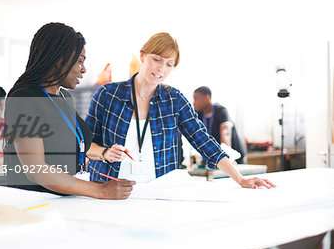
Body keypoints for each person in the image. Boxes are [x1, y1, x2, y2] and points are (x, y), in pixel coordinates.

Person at [85, 32, 275, 189]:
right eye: (156, 59)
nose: (161, 69)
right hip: (110, 188)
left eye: (169, 64)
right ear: (142, 56)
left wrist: (240, 179)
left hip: (157, 190)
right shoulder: (108, 95)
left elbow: (204, 141)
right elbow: (85, 145)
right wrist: (105, 153)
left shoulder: (174, 99)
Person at [3, 22, 135, 199]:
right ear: (58, 60)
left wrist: (104, 155)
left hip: (64, 200)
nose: (83, 69)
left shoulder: (63, 96)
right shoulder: (24, 99)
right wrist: (98, 191)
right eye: (80, 61)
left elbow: (73, 142)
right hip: (35, 204)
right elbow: (36, 169)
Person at [193, 86, 247, 164]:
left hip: (234, 156)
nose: (194, 103)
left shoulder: (220, 110)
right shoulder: (199, 115)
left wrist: (227, 154)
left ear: (207, 98)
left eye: (196, 99)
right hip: (218, 158)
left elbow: (226, 133)